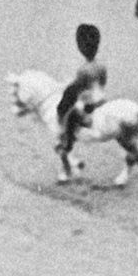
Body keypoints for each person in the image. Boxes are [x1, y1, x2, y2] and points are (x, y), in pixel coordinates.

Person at [57, 23, 108, 174]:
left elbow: (78, 88)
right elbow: (103, 82)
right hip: (101, 96)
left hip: (89, 101)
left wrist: (68, 86)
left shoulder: (83, 69)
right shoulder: (101, 65)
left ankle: (67, 144)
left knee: (70, 117)